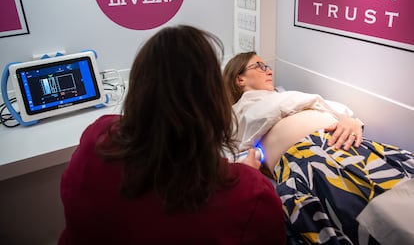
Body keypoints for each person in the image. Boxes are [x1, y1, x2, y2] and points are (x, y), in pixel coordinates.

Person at [58, 26, 286, 245]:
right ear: (214, 98)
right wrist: (245, 176)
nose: (269, 70)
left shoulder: (97, 136)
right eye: (259, 66)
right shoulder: (250, 194)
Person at [223, 51, 414, 245]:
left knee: (402, 193)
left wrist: (351, 122)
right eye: (260, 66)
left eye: (268, 66)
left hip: (349, 146)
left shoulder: (290, 96)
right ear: (240, 79)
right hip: (309, 164)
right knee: (370, 215)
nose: (269, 71)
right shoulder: (236, 114)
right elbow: (231, 156)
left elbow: (341, 114)